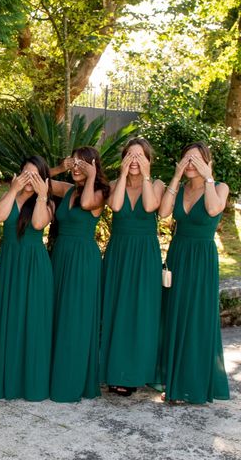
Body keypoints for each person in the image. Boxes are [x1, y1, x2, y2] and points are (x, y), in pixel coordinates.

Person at [0, 156, 54, 401]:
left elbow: (39, 223)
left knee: (30, 321)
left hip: (33, 267)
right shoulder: (12, 194)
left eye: (35, 175)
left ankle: (27, 381)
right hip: (9, 264)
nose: (29, 179)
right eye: (25, 174)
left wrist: (41, 194)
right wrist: (12, 189)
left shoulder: (47, 204)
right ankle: (1, 375)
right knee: (6, 317)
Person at [156, 142, 229, 404]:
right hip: (178, 255)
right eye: (186, 158)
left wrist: (208, 177)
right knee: (175, 315)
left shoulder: (220, 187)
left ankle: (194, 384)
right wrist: (175, 177)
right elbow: (163, 213)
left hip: (202, 259)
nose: (190, 163)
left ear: (207, 162)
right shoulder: (180, 187)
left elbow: (212, 209)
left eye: (196, 159)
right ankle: (174, 383)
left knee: (196, 317)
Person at [101, 138, 165, 397]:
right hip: (120, 252)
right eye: (130, 155)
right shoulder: (115, 185)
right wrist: (124, 174)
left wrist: (146, 177)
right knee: (118, 309)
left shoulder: (158, 184)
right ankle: (117, 371)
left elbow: (150, 206)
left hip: (145, 254)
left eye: (140, 156)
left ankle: (139, 372)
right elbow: (115, 206)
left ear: (149, 160)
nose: (135, 160)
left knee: (142, 311)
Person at [48, 146, 109, 402]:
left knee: (76, 316)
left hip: (83, 260)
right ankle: (54, 373)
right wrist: (62, 167)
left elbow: (86, 204)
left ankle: (72, 380)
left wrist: (91, 175)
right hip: (60, 255)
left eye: (83, 164)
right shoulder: (67, 189)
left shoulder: (100, 193)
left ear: (94, 166)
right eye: (75, 163)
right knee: (58, 313)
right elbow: (38, 179)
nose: (77, 168)